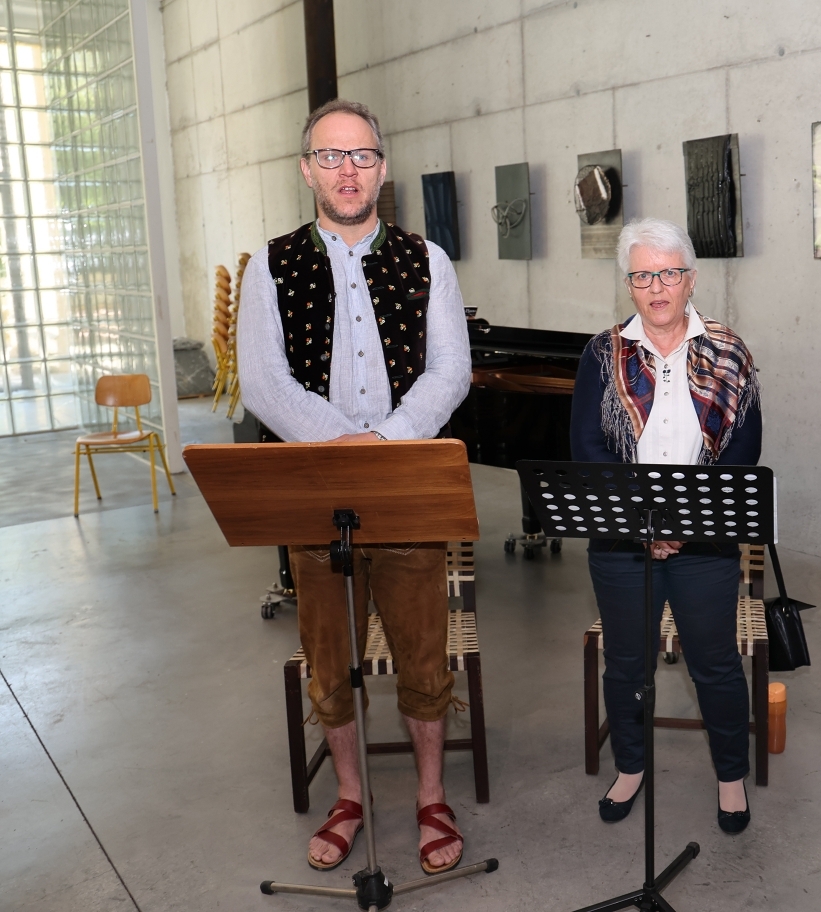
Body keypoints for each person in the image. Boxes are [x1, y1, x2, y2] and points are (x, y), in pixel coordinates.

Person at [238, 99, 472, 875]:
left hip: (406, 484)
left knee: (424, 656)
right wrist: (342, 447)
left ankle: (431, 797)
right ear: (307, 170)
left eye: (362, 155)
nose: (348, 170)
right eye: (331, 156)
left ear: (382, 168)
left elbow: (451, 371)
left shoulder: (429, 260)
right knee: (329, 659)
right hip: (314, 487)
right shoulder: (269, 266)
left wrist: (385, 445)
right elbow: (263, 384)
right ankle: (348, 795)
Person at [570, 217, 762, 834]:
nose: (657, 288)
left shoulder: (729, 351)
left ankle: (730, 777)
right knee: (627, 664)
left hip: (704, 540)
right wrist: (641, 525)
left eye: (668, 274)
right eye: (642, 276)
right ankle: (630, 767)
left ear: (691, 279)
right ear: (629, 284)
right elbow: (588, 449)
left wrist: (681, 523)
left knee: (715, 664)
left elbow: (743, 451)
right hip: (623, 542)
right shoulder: (602, 354)